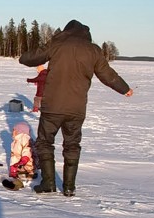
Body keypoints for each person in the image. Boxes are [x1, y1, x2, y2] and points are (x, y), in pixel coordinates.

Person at [19, 19, 133, 196]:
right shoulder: (93, 50)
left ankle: (48, 183)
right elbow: (107, 75)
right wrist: (124, 89)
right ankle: (69, 187)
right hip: (76, 108)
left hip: (53, 106)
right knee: (72, 145)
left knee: (44, 142)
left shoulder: (58, 43)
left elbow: (30, 59)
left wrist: (24, 56)